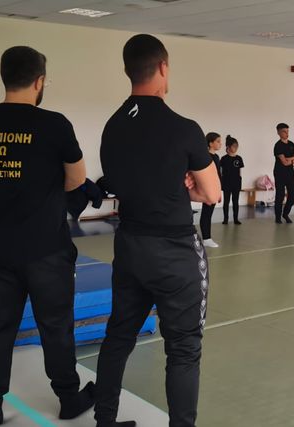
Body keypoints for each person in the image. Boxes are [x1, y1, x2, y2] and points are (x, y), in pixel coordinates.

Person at [97, 34, 221, 427]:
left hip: (130, 246)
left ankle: (104, 420)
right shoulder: (184, 129)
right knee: (183, 349)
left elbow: (119, 183)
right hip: (174, 252)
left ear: (127, 70)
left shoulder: (112, 127)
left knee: (119, 336)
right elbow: (212, 194)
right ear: (163, 67)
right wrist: (186, 184)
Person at [0, 46, 93, 426]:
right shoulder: (54, 125)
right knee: (55, 325)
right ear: (39, 82)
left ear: (5, 77)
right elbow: (77, 179)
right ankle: (68, 398)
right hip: (45, 248)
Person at [200, 132, 222, 248]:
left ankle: (207, 238)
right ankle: (206, 238)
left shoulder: (216, 157)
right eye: (218, 141)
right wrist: (207, 190)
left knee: (209, 213)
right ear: (210, 143)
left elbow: (218, 175)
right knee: (206, 213)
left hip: (214, 189)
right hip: (208, 189)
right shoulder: (206, 156)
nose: (220, 144)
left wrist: (219, 191)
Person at [273, 123, 294, 224]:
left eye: (287, 131)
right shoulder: (278, 146)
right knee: (280, 195)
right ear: (278, 132)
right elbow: (284, 162)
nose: (286, 133)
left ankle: (285, 214)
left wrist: (289, 159)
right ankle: (278, 217)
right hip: (279, 173)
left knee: (292, 195)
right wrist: (292, 159)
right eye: (284, 131)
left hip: (290, 173)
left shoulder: (291, 144)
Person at [220, 135, 244, 225]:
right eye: (234, 146)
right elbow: (221, 172)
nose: (236, 148)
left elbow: (240, 172)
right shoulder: (224, 159)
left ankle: (236, 219)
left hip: (236, 183)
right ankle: (225, 219)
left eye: (237, 146)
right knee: (226, 201)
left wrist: (240, 181)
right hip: (226, 183)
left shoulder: (239, 158)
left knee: (235, 201)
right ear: (228, 147)